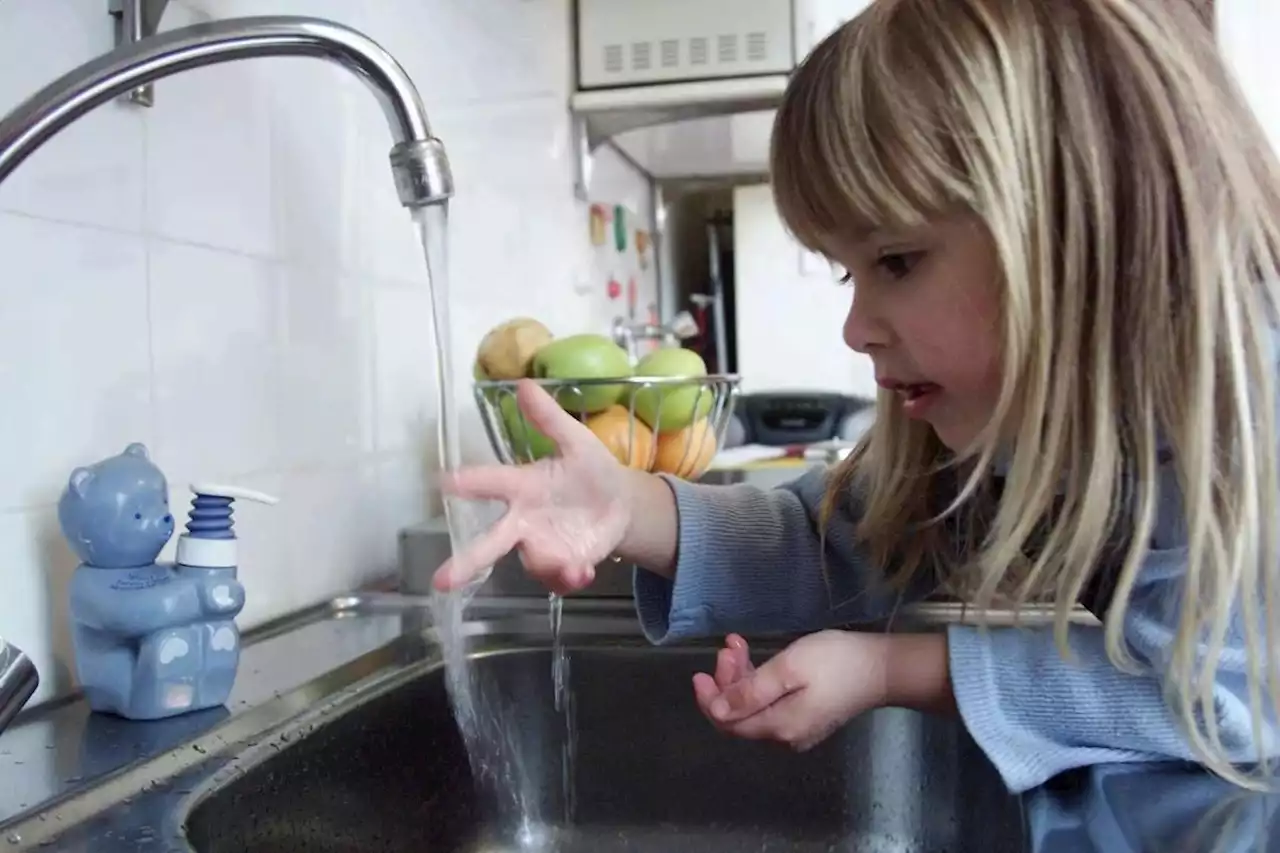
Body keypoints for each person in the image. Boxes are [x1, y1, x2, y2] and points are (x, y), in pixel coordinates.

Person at [435, 0, 1280, 794]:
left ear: (1072, 226)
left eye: (898, 261)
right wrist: (626, 502)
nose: (856, 328)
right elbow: (834, 539)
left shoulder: (1239, 404)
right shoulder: (1001, 429)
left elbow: (1235, 698)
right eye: (848, 271)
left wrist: (892, 668)